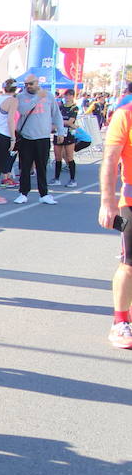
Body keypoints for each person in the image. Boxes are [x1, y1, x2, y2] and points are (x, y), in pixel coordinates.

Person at [97, 94, 132, 349]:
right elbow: (110, 159)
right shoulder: (125, 114)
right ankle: (120, 321)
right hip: (130, 204)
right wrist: (107, 202)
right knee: (129, 263)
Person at [13, 76, 66, 204]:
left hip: (43, 137)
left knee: (42, 166)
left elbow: (56, 114)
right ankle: (23, 193)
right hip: (26, 137)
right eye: (26, 84)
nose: (28, 86)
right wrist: (37, 97)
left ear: (37, 83)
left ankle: (44, 194)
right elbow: (23, 110)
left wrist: (61, 131)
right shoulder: (20, 97)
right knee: (25, 167)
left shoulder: (48, 96)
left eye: (30, 83)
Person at [52, 88, 79, 187]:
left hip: (69, 134)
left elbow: (70, 122)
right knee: (57, 156)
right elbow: (55, 119)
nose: (67, 97)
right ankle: (56, 178)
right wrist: (58, 124)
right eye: (66, 95)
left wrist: (60, 123)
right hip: (58, 133)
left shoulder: (74, 108)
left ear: (72, 96)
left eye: (69, 95)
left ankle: (72, 179)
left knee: (69, 156)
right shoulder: (60, 107)